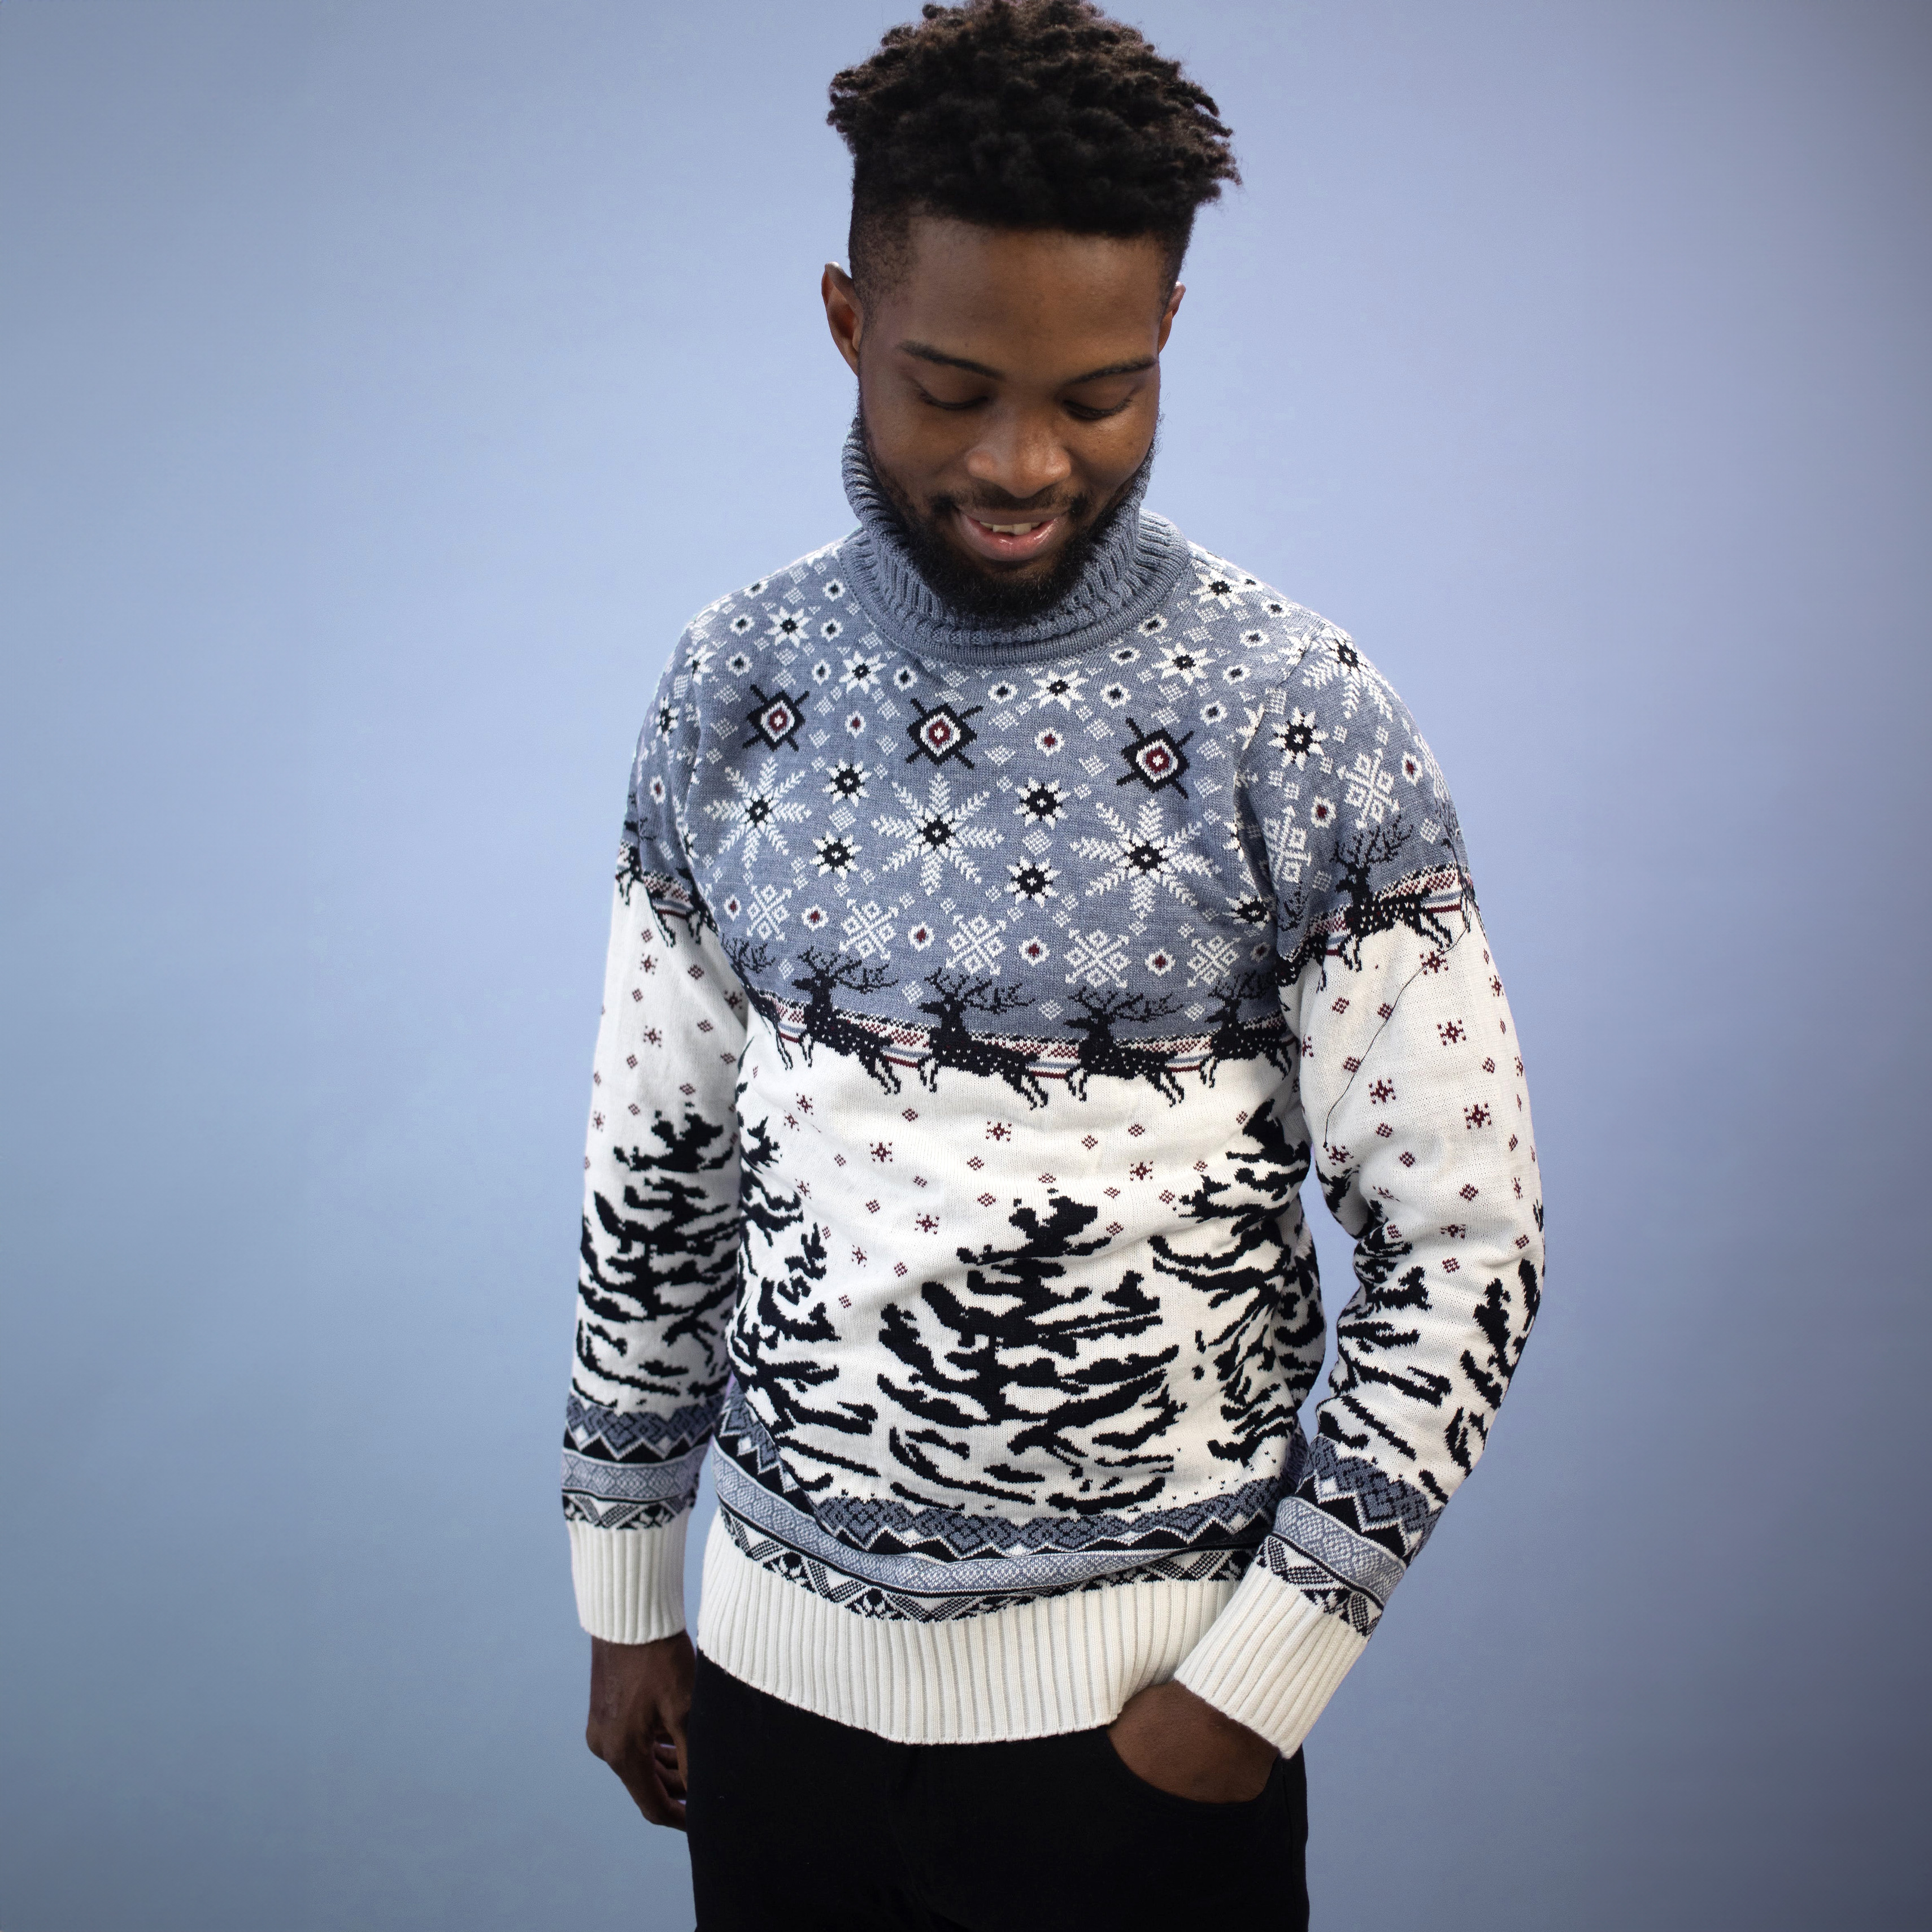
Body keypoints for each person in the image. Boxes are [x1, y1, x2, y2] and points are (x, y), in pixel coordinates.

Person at [564, 4, 1543, 1925]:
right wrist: (624, 1585)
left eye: (1099, 396)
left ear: (1168, 325)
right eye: (949, 388)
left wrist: (1256, 1683)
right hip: (769, 1708)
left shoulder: (1295, 716)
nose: (1022, 459)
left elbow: (1465, 1245)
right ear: (845, 319)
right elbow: (653, 1160)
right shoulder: (733, 680)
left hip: (1139, 1742)